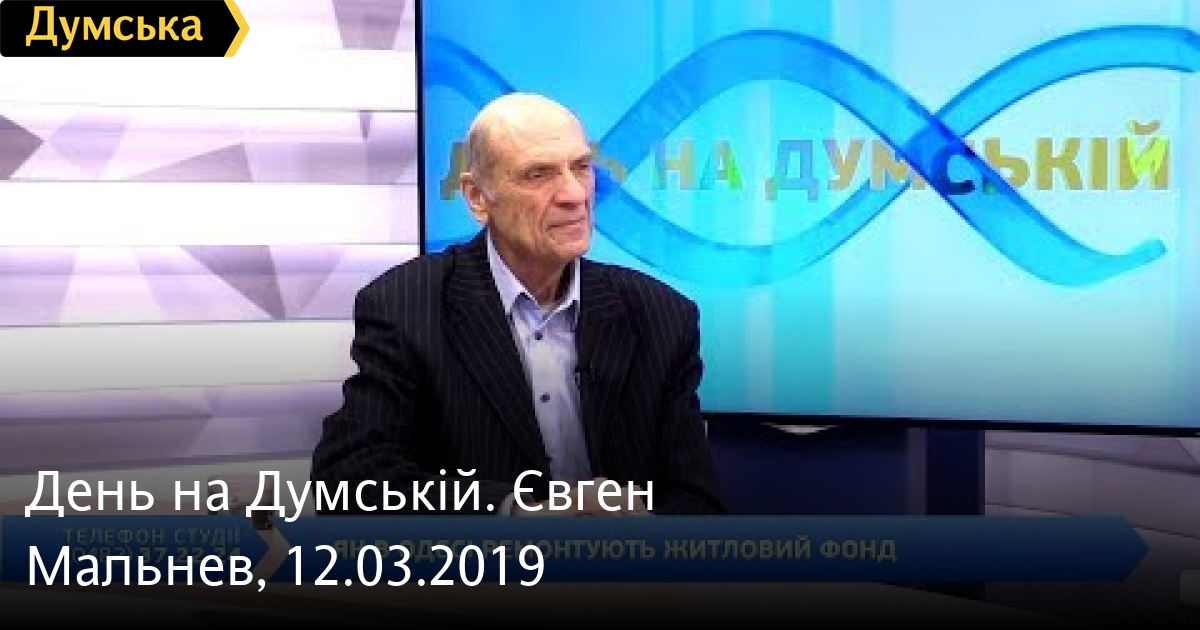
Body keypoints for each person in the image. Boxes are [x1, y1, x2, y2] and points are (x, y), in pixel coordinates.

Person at [310, 93, 725, 516]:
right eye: (538, 174)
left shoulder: (660, 316)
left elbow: (699, 502)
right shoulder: (406, 306)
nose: (574, 195)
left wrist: (640, 529)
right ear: (477, 197)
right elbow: (348, 480)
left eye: (581, 167)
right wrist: (516, 513)